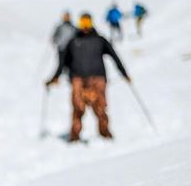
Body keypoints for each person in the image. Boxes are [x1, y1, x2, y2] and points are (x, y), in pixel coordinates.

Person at [45, 12, 131, 142]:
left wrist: (124, 73)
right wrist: (55, 77)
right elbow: (62, 63)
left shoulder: (100, 40)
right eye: (82, 23)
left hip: (98, 79)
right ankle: (74, 137)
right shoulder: (73, 41)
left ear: (91, 23)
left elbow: (115, 56)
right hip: (78, 79)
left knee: (101, 108)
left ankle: (105, 135)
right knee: (78, 108)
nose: (85, 26)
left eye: (87, 23)